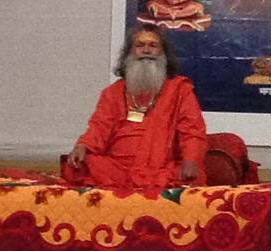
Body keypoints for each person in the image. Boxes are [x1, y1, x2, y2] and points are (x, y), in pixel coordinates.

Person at [63, 26, 207, 190]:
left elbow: (192, 130)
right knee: (78, 166)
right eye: (140, 45)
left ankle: (134, 183)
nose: (146, 50)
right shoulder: (113, 92)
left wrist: (191, 159)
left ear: (163, 53)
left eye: (153, 46)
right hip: (117, 169)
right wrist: (83, 146)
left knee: (190, 174)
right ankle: (135, 182)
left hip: (160, 169)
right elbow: (99, 127)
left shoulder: (180, 90)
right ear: (130, 53)